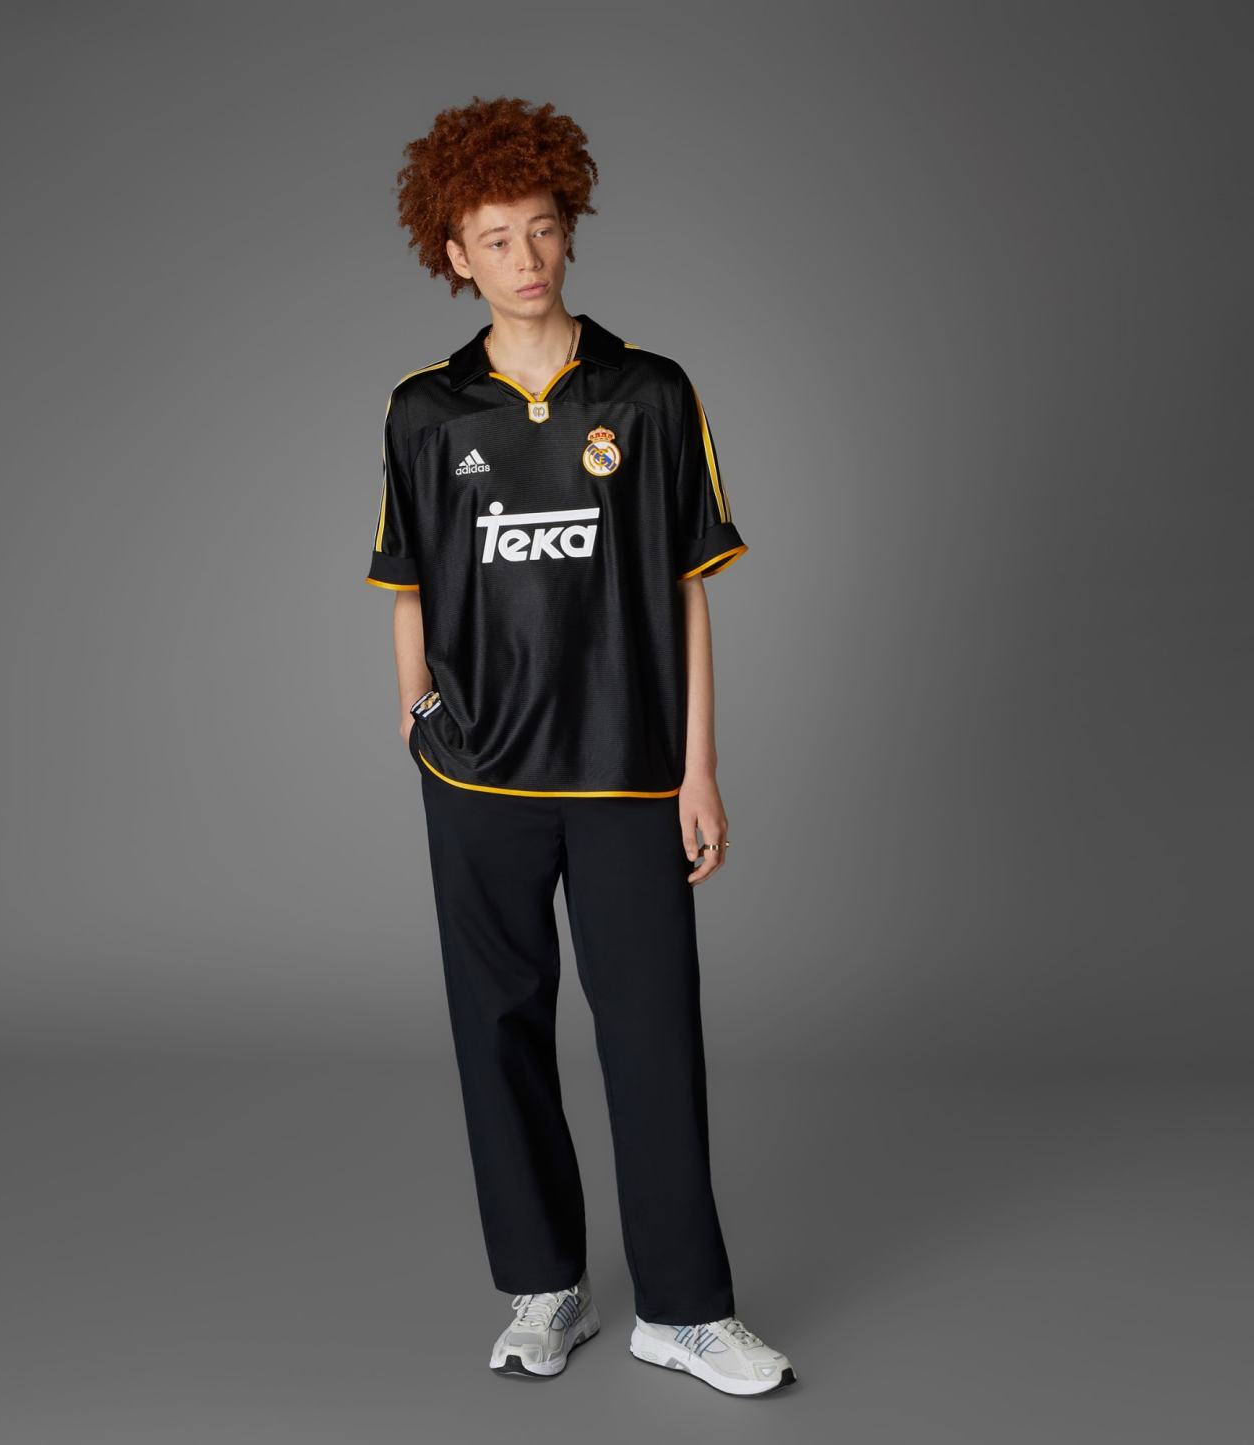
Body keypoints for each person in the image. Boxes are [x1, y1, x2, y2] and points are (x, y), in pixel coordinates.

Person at [363, 95, 797, 1398]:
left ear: (570, 229)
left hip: (625, 773)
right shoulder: (426, 410)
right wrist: (418, 711)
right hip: (479, 776)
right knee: (497, 1030)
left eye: (543, 229)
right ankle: (544, 1289)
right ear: (454, 252)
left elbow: (687, 592)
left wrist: (698, 768)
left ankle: (685, 1310)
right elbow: (406, 583)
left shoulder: (649, 392)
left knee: (653, 1034)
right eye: (496, 238)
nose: (526, 257)